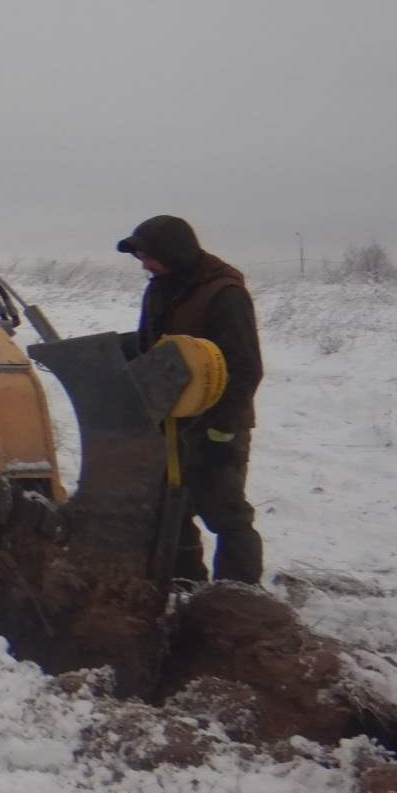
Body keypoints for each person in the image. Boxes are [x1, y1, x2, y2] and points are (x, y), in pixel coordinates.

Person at [118, 214, 265, 584]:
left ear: (175, 252)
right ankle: (186, 586)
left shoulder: (225, 295)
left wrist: (221, 433)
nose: (144, 265)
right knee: (170, 507)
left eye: (149, 257)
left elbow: (246, 368)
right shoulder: (159, 289)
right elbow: (151, 347)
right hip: (171, 421)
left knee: (226, 513)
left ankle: (238, 599)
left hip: (216, 424)